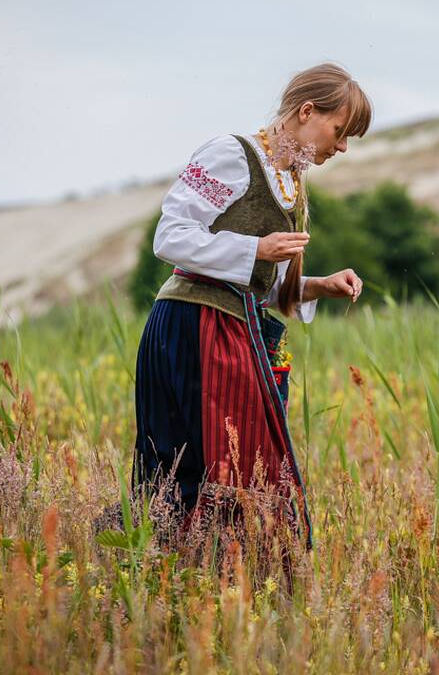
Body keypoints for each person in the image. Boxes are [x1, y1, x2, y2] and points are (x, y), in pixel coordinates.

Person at [132, 63, 372, 550]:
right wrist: (256, 250)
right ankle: (173, 578)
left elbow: (261, 288)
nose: (342, 146)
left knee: (247, 466)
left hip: (235, 330)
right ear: (307, 112)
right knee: (200, 466)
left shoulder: (292, 184)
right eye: (339, 131)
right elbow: (170, 237)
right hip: (190, 327)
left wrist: (316, 286)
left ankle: (236, 589)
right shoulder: (231, 155)